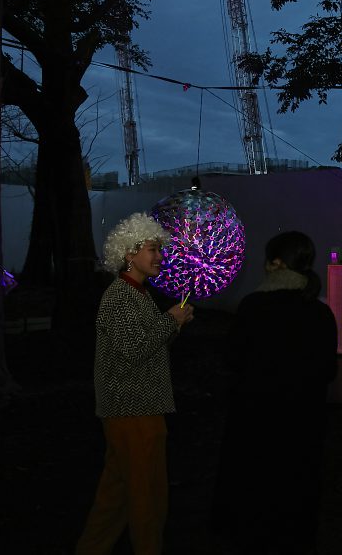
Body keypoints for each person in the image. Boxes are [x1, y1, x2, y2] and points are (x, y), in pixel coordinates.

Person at [210, 231, 338, 554]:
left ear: (275, 263)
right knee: (295, 502)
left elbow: (232, 357)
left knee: (255, 499)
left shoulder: (254, 307)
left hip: (255, 421)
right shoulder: (320, 313)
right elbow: (329, 370)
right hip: (303, 425)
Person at [76, 213, 194, 555]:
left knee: (116, 496)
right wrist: (169, 319)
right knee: (147, 498)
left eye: (160, 249)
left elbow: (146, 347)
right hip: (133, 409)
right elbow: (133, 350)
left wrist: (174, 324)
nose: (159, 256)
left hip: (136, 409)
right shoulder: (120, 297)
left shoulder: (137, 294)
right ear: (129, 253)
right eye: (152, 249)